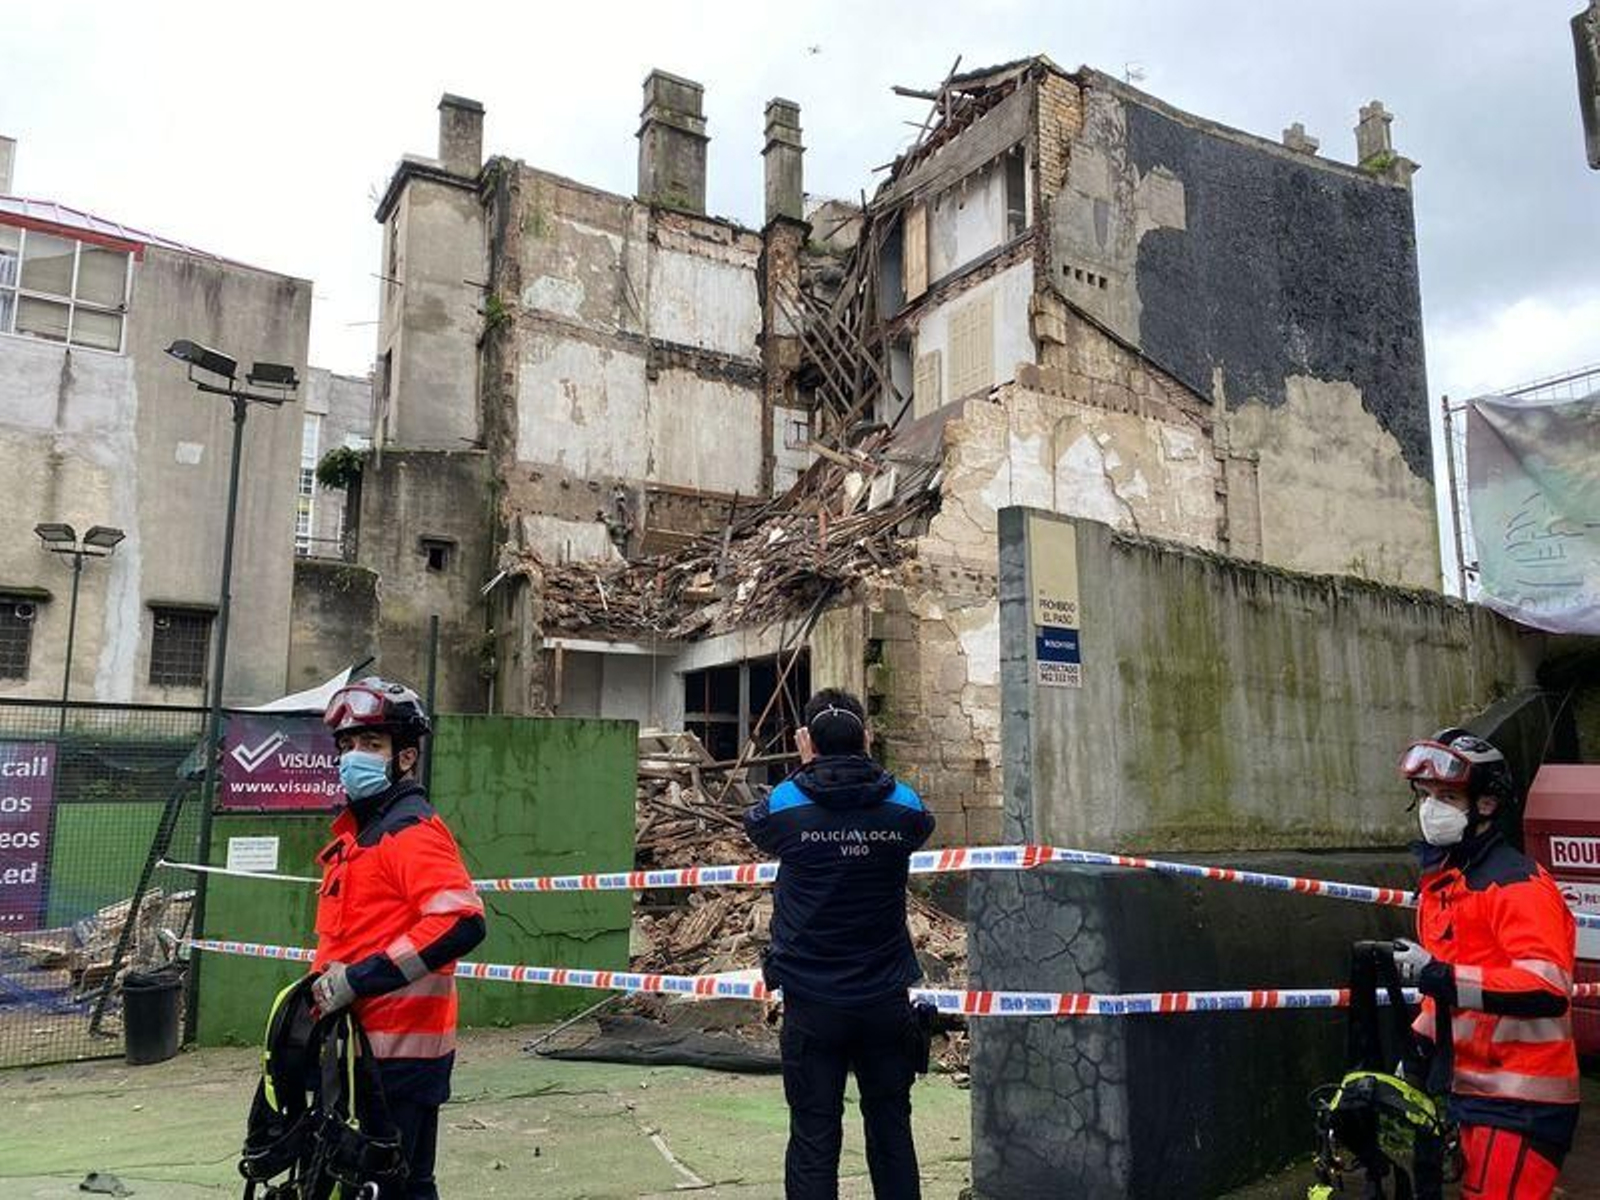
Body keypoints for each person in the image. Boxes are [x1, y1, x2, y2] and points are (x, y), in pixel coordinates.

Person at [744, 688, 937, 1200]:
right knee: (892, 1131)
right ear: (867, 738)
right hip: (884, 1001)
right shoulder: (903, 807)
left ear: (805, 740)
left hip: (813, 1004)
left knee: (813, 1138)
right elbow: (924, 823)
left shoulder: (787, 807)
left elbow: (755, 823)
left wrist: (807, 769)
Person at [309, 677, 487, 1199]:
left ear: (405, 757)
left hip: (402, 1055)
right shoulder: (359, 836)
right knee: (369, 1181)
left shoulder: (409, 829)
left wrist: (360, 980)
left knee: (397, 1185)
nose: (352, 757)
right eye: (346, 745)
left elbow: (462, 922)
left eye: (371, 745)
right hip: (360, 1050)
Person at [1392, 728, 1579, 1199]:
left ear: (1487, 805)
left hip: (1524, 1100)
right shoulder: (1447, 883)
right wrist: (1415, 1049)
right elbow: (1456, 988)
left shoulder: (1517, 884)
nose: (1432, 808)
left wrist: (1435, 974)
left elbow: (1546, 988)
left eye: (1448, 796)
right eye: (1427, 794)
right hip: (1472, 1092)